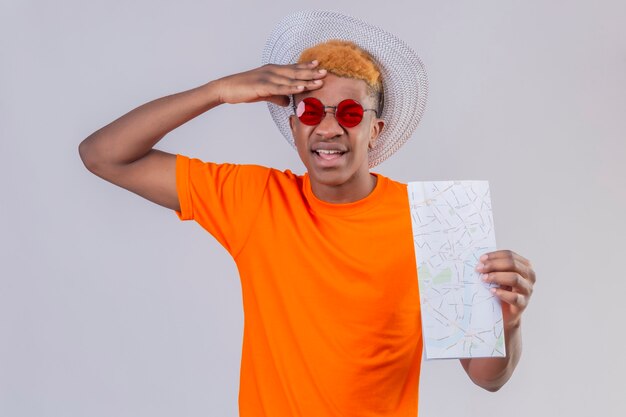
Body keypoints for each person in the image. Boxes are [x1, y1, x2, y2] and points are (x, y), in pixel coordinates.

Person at [79, 10, 536, 417]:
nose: (329, 127)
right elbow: (103, 154)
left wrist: (508, 322)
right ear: (295, 123)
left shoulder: (432, 221)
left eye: (351, 112)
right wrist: (219, 91)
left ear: (375, 130)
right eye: (312, 109)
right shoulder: (256, 200)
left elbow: (487, 376)